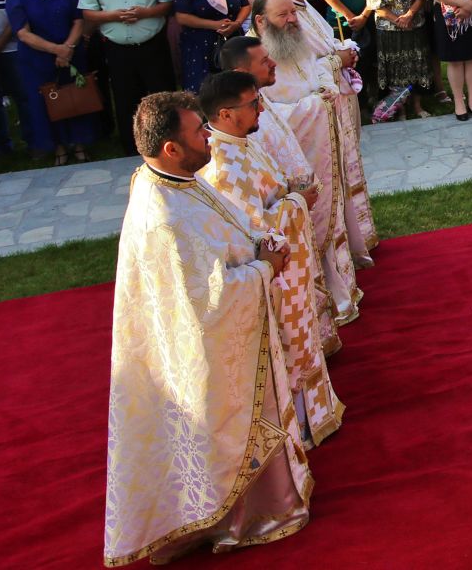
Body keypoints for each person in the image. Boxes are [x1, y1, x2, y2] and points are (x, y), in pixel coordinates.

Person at [105, 92, 312, 566]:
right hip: (210, 348)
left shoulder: (177, 180)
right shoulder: (163, 217)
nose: (209, 137)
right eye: (199, 132)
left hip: (230, 329)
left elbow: (224, 226)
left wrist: (259, 241)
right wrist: (265, 269)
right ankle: (249, 516)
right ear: (171, 148)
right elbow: (206, 301)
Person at [198, 70, 343, 444]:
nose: (261, 108)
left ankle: (315, 414)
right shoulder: (223, 165)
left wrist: (290, 194)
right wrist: (298, 201)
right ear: (227, 114)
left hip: (288, 268)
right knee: (289, 346)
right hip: (273, 276)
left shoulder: (241, 141)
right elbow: (254, 229)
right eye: (253, 103)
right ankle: (296, 429)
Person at [220, 34, 360, 325]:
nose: (274, 64)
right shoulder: (240, 127)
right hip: (281, 228)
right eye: (264, 61)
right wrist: (296, 199)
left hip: (297, 206)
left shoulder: (258, 103)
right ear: (240, 72)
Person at [267, 0, 380, 265]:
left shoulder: (304, 9)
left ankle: (355, 243)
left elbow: (323, 50)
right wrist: (336, 61)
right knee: (330, 183)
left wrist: (343, 55)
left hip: (332, 106)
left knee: (344, 174)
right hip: (313, 121)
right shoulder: (276, 36)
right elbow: (303, 73)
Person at [77, 0, 177, 154]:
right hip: (117, 49)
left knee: (162, 96)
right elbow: (87, 12)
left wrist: (145, 13)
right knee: (125, 99)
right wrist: (113, 16)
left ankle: (169, 141)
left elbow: (168, 4)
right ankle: (132, 147)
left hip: (152, 46)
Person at [6, 0, 94, 164]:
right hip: (37, 61)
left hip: (71, 55)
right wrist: (57, 50)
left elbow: (78, 19)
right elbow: (22, 33)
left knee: (75, 99)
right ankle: (59, 148)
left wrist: (67, 48)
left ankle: (80, 144)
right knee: (46, 104)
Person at [366, 0, 433, 119]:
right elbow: (375, 2)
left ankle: (418, 106)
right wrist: (398, 20)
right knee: (396, 70)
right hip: (389, 30)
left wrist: (409, 15)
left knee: (416, 66)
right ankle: (399, 108)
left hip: (414, 24)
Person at [0, 0, 27, 155]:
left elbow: (18, 13)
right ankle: (2, 147)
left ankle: (32, 142)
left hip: (10, 47)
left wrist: (0, 43)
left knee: (22, 96)